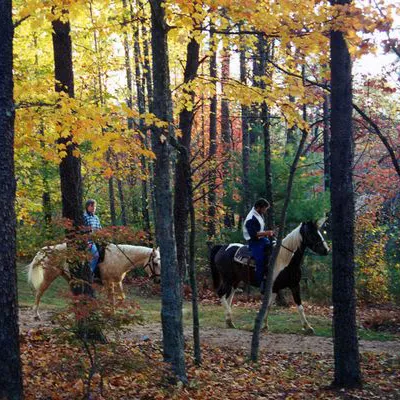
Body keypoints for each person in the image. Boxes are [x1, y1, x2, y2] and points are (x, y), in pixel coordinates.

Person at [243, 198, 274, 292]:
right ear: (258, 208)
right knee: (260, 260)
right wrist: (266, 233)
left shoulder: (259, 214)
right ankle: (259, 282)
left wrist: (267, 233)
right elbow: (253, 234)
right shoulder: (251, 218)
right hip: (254, 242)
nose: (265, 211)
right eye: (264, 209)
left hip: (262, 240)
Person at [83, 199, 102, 277]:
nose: (94, 208)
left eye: (95, 206)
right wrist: (87, 242)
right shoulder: (84, 217)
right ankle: (89, 274)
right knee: (96, 255)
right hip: (89, 241)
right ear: (87, 206)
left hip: (97, 240)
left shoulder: (96, 217)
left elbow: (99, 229)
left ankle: (100, 274)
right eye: (92, 206)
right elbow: (82, 231)